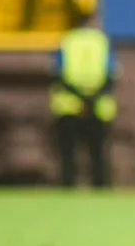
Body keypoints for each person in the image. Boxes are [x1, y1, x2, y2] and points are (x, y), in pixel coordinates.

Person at [50, 10, 118, 188]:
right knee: (98, 155)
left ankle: (68, 190)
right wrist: (92, 98)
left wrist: (78, 97)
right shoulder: (103, 42)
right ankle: (100, 190)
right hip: (98, 106)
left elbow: (57, 74)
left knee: (68, 154)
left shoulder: (67, 41)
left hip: (69, 105)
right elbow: (112, 75)